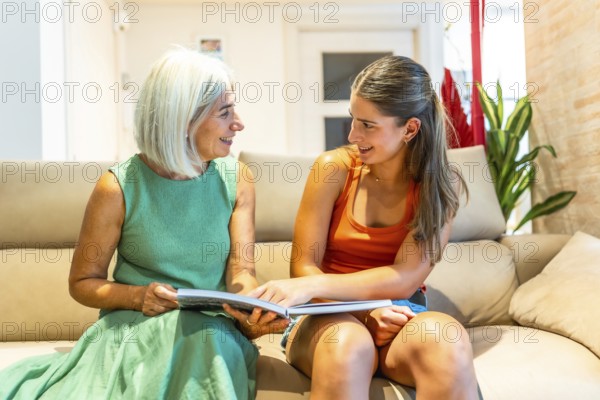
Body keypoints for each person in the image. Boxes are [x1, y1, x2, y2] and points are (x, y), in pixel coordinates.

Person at [0, 48, 288, 399]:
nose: (239, 123)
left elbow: (241, 270)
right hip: (135, 326)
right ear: (183, 119)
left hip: (211, 328)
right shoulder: (118, 186)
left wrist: (250, 308)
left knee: (203, 340)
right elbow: (82, 283)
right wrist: (138, 296)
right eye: (225, 112)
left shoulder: (238, 178)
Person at [249, 56, 479, 399]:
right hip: (324, 313)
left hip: (399, 314)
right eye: (353, 120)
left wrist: (373, 310)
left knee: (448, 342)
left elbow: (406, 278)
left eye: (368, 125)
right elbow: (303, 268)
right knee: (347, 344)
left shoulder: (440, 184)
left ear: (410, 129)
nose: (353, 135)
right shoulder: (333, 169)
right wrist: (365, 311)